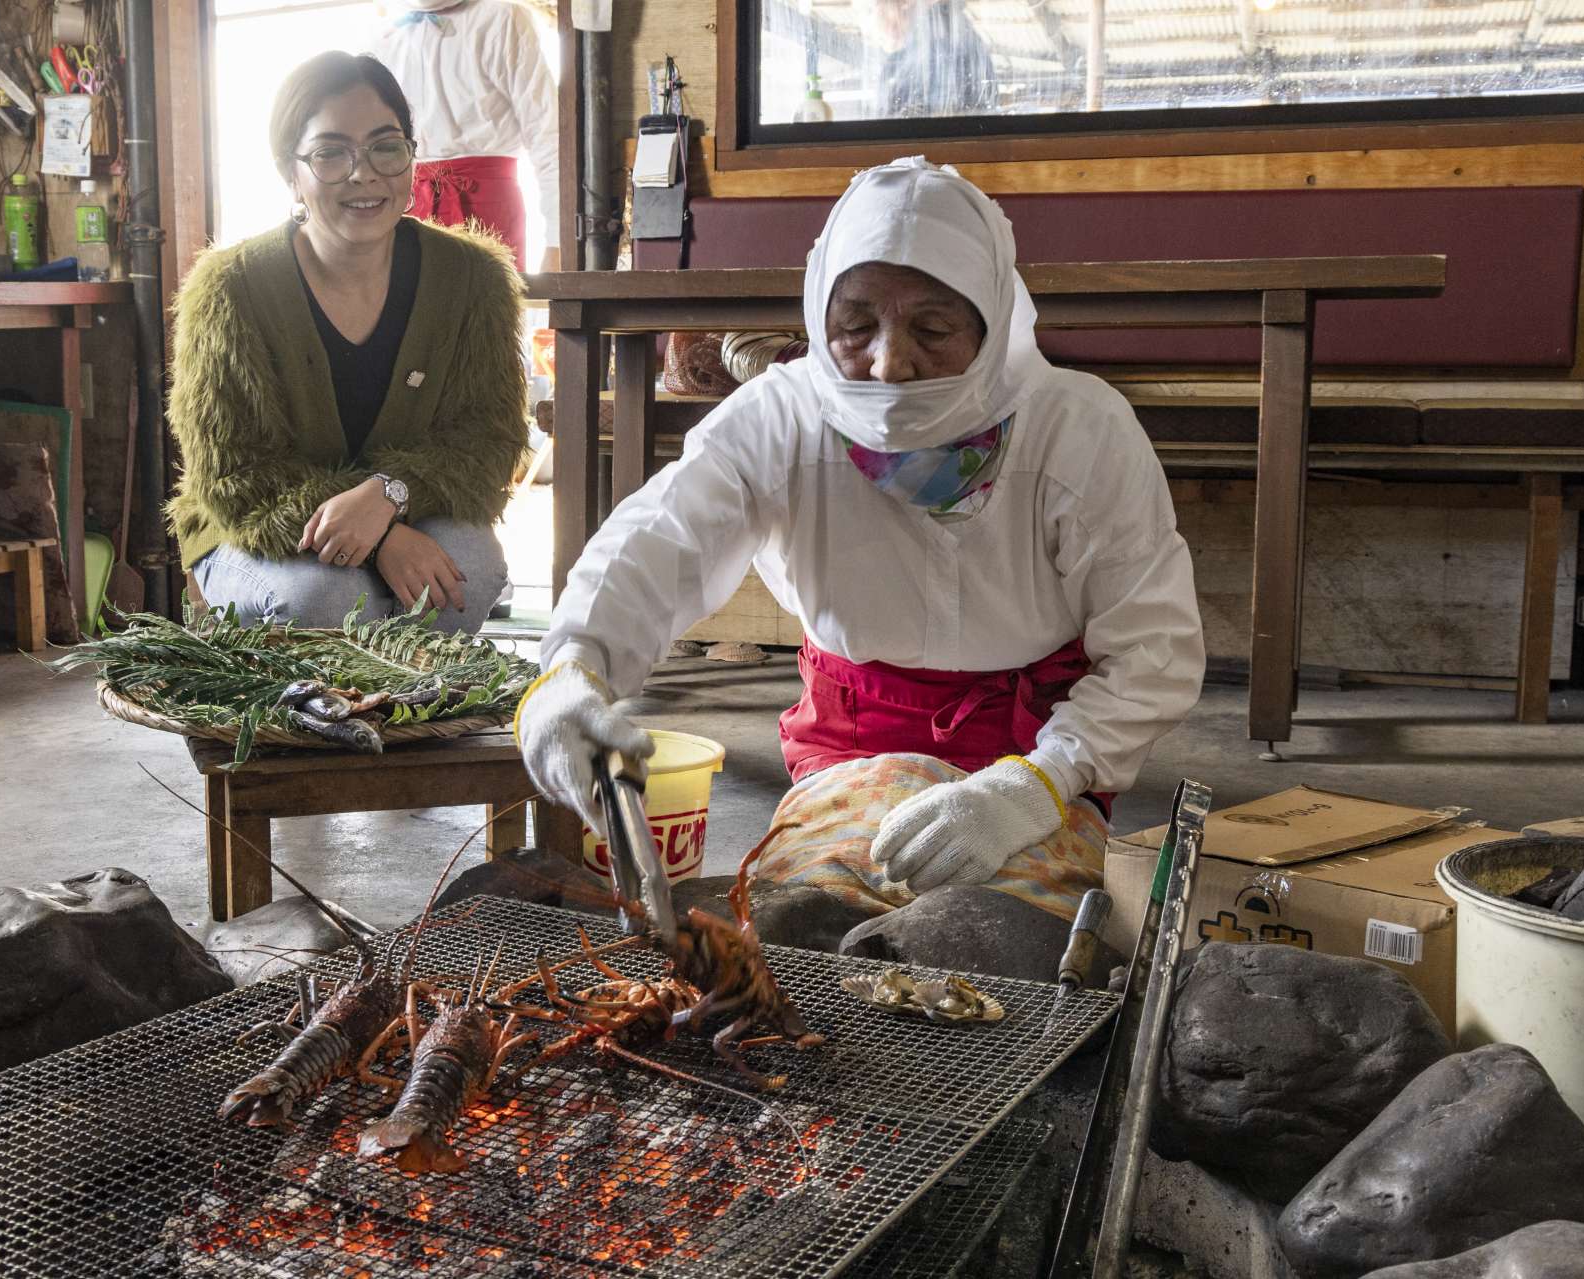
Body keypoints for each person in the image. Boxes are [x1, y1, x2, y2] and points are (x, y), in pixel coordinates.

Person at [516, 159, 1204, 926]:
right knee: (801, 923)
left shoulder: (1079, 431)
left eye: (934, 329)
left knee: (1006, 933)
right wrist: (573, 670)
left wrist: (1031, 788)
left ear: (994, 317)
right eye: (855, 326)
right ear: (818, 314)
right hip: (852, 746)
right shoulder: (783, 417)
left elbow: (1154, 650)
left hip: (1033, 755)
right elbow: (659, 538)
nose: (889, 361)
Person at [166, 52, 528, 632]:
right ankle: (313, 710)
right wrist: (381, 532)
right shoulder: (229, 287)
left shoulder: (471, 277)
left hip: (409, 505)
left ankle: (401, 711)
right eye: (331, 153)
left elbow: (489, 440)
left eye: (385, 146)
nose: (363, 174)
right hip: (253, 528)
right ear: (291, 171)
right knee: (329, 596)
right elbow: (232, 476)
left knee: (472, 571)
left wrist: (390, 495)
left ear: (412, 158)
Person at [369, 0, 559, 270]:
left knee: (488, 306)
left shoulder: (502, 19)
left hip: (485, 208)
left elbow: (548, 135)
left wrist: (557, 242)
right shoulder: (380, 34)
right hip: (406, 208)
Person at [852, 0, 996, 119]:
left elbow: (935, 125)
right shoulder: (942, 39)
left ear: (904, 2)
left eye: (869, 10)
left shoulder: (939, 47)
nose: (867, 29)